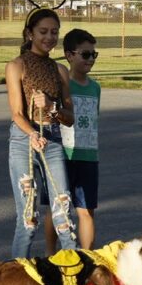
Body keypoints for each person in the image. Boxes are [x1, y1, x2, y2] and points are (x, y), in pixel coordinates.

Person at [5, 8, 77, 258]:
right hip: (23, 141)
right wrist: (33, 135)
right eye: (43, 31)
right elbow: (16, 113)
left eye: (54, 32)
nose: (49, 37)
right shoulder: (16, 66)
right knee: (29, 217)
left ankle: (75, 274)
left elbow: (70, 118)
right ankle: (16, 275)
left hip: (53, 139)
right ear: (29, 33)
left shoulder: (60, 70)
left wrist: (52, 106)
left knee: (64, 211)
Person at [44, 29, 101, 255]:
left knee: (86, 211)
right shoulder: (61, 84)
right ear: (69, 55)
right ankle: (50, 254)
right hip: (62, 156)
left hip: (88, 157)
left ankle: (87, 258)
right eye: (85, 55)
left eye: (93, 55)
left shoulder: (95, 87)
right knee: (57, 208)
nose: (90, 60)